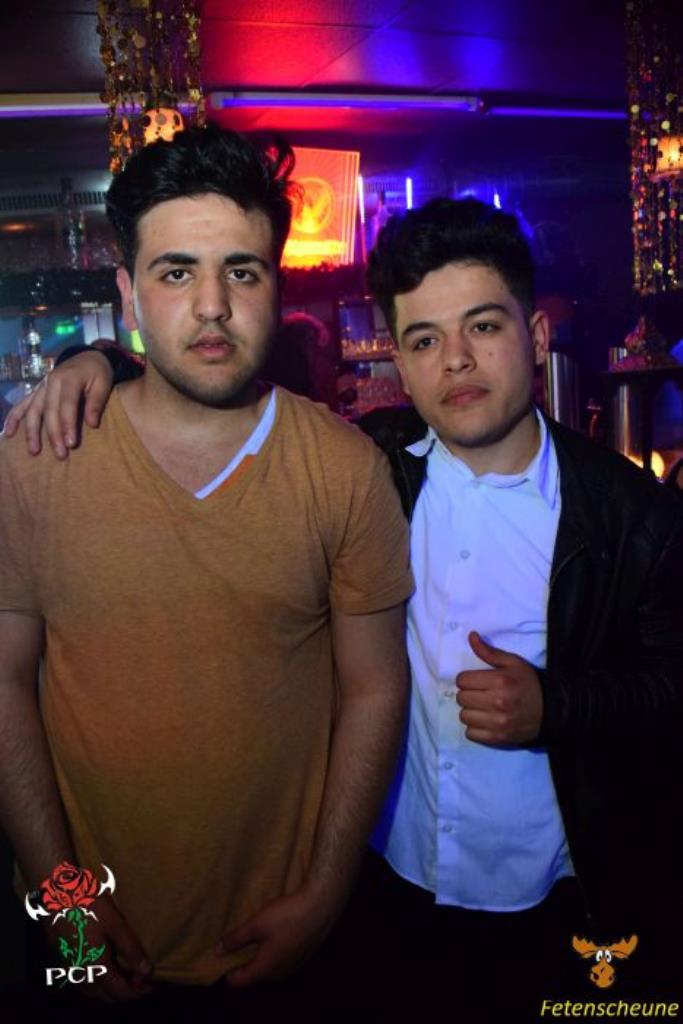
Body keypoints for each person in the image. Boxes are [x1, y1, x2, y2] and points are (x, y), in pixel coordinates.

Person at [8, 198, 683, 1018]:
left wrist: (558, 706)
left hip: (559, 899)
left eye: (483, 327)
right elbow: (195, 375)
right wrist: (97, 359)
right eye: (424, 340)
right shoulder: (374, 466)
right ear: (398, 359)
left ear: (536, 335)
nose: (456, 362)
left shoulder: (632, 515)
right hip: (388, 890)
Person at [0, 124, 412, 1020]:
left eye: (242, 271)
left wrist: (327, 894)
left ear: (276, 285)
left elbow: (376, 688)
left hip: (285, 944)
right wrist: (62, 901)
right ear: (128, 294)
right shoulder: (37, 461)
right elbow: (4, 683)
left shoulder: (344, 470)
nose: (213, 306)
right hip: (87, 935)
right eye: (177, 272)